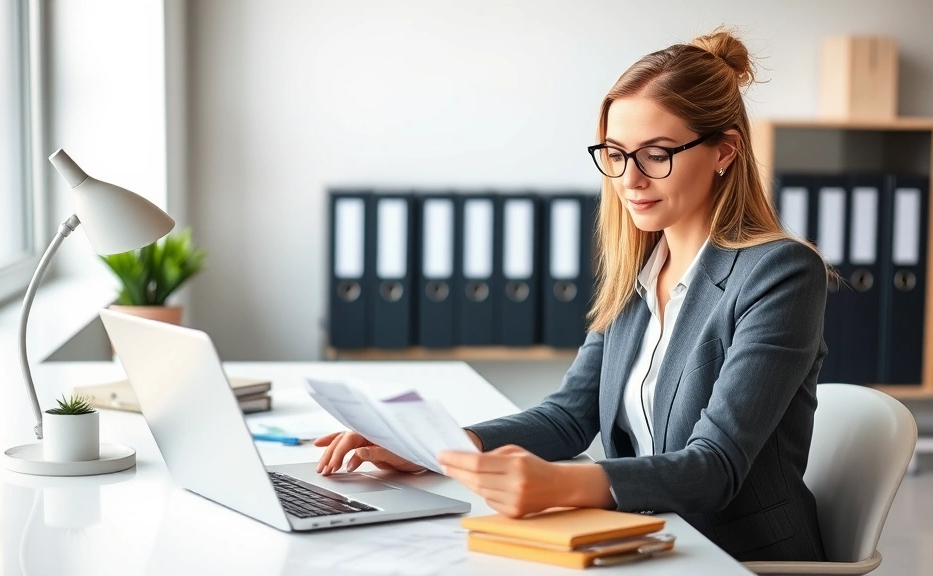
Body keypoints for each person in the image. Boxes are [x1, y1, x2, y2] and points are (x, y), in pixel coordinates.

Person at [315, 28, 828, 563]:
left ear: (724, 151)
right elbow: (569, 417)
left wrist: (559, 485)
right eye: (615, 153)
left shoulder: (780, 273)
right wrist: (433, 448)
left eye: (656, 154)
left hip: (736, 557)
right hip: (646, 538)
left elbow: (714, 468)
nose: (630, 179)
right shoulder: (640, 268)